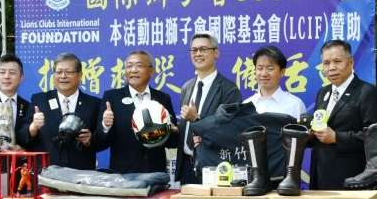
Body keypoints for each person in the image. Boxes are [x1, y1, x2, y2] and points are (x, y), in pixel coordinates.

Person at [309, 39, 377, 190]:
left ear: (351, 63)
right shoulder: (323, 93)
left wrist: (337, 138)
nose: (331, 68)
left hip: (352, 178)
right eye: (326, 63)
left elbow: (376, 139)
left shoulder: (368, 93)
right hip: (321, 177)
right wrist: (310, 134)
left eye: (337, 61)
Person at [176, 32, 242, 185]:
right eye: (194, 50)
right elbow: (186, 129)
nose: (198, 54)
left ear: (216, 52)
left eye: (204, 49)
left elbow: (231, 131)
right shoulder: (187, 87)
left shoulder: (229, 89)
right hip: (186, 165)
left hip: (214, 166)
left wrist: (197, 119)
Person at [18, 53, 103, 170]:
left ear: (80, 75)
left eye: (68, 72)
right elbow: (22, 137)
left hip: (81, 174)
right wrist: (33, 128)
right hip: (46, 173)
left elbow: (102, 141)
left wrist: (90, 141)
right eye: (58, 72)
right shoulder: (40, 100)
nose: (63, 76)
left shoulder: (94, 104)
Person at [98, 50, 178, 174]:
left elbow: (171, 143)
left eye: (139, 66)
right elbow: (100, 143)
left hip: (155, 173)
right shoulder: (112, 97)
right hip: (124, 175)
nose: (133, 70)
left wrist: (172, 131)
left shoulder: (163, 98)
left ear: (152, 71)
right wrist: (105, 126)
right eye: (129, 66)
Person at [243, 45, 306, 119]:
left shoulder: (295, 105)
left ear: (282, 72)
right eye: (260, 68)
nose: (264, 74)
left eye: (270, 68)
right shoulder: (246, 105)